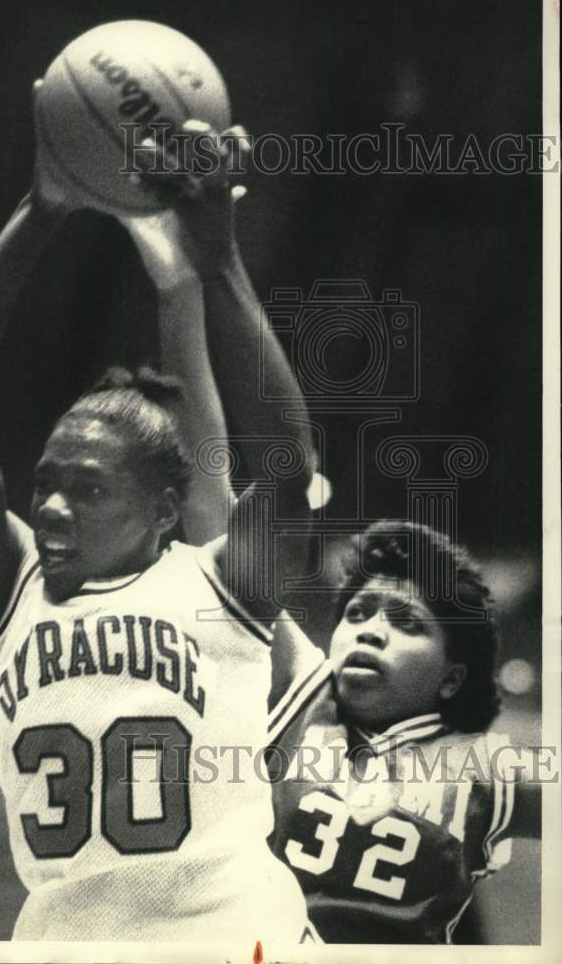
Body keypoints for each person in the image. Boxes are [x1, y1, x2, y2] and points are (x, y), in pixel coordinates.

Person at [0, 85, 317, 943]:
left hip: (233, 935)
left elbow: (285, 465)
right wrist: (41, 206)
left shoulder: (225, 586)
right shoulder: (8, 592)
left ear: (165, 510)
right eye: (45, 481)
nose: (51, 505)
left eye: (87, 489)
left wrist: (219, 262)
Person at [143, 168, 543, 944]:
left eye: (404, 621)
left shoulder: (490, 769)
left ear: (455, 673)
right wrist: (182, 285)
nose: (367, 629)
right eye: (358, 612)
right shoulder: (297, 692)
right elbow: (204, 486)